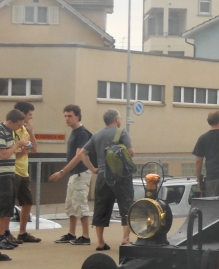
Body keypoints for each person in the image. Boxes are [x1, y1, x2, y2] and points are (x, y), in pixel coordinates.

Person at [64, 109, 134, 250]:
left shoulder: (96, 135)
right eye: (119, 118)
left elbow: (83, 154)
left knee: (101, 208)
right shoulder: (122, 132)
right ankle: (125, 239)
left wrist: (93, 168)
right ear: (116, 120)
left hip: (103, 176)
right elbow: (131, 152)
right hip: (121, 176)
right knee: (126, 207)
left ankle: (101, 242)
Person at [49, 105, 93, 245]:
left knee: (80, 203)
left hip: (81, 173)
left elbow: (79, 156)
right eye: (65, 116)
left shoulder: (83, 133)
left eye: (69, 116)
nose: (67, 119)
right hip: (74, 174)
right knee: (70, 204)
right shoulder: (74, 132)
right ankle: (71, 233)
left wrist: (62, 171)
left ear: (77, 116)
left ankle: (85, 236)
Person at [0, 110, 32, 261]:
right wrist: (18, 144)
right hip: (2, 176)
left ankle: (3, 237)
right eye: (18, 124)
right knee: (3, 209)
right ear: (11, 122)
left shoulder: (9, 133)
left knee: (7, 208)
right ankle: (1, 239)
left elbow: (10, 154)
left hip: (9, 174)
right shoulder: (1, 131)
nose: (19, 127)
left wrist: (22, 152)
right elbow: (3, 155)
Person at [9, 101, 40, 244]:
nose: (31, 117)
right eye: (30, 114)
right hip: (12, 170)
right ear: (22, 114)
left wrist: (31, 133)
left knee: (27, 202)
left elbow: (34, 149)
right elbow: (8, 152)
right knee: (9, 203)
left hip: (24, 171)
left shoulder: (24, 130)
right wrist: (21, 152)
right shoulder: (11, 129)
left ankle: (22, 232)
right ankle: (5, 233)